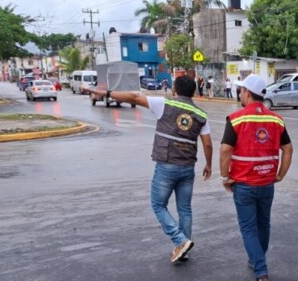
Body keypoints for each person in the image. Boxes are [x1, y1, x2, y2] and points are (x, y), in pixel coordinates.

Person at [85, 76, 212, 263]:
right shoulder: (200, 113)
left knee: (158, 205)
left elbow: (134, 98)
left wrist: (107, 93)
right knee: (184, 208)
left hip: (167, 165)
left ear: (174, 90)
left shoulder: (164, 103)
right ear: (194, 92)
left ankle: (180, 240)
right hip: (187, 167)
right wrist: (209, 164)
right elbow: (207, 144)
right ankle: (183, 246)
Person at [220, 75, 294, 281]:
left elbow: (225, 150)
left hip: (244, 184)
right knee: (264, 224)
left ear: (248, 93)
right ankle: (256, 259)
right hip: (267, 183)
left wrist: (225, 177)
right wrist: (281, 174)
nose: (240, 94)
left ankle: (261, 272)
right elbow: (287, 148)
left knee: (248, 228)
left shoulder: (236, 118)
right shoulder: (276, 120)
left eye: (241, 90)